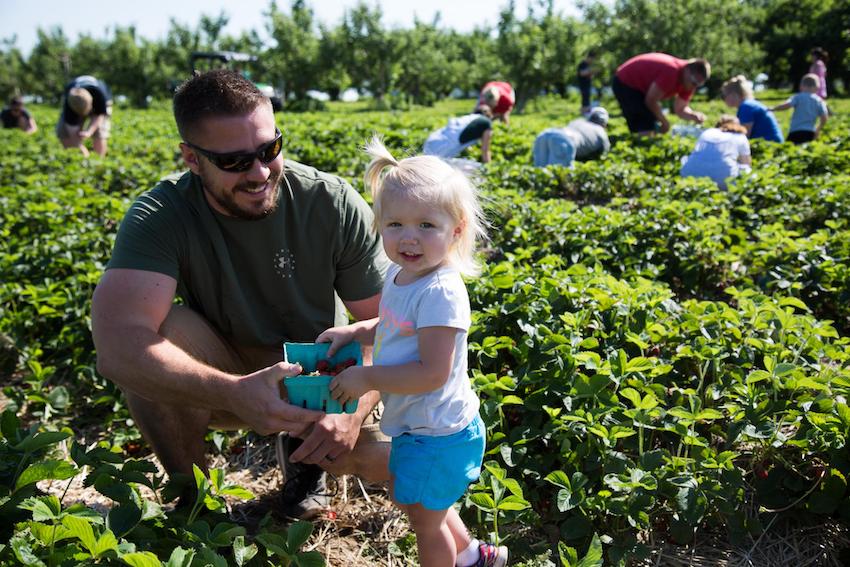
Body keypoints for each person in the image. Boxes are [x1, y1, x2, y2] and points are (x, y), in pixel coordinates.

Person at [90, 69, 391, 520]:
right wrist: (234, 392)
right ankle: (195, 503)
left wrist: (355, 405)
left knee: (399, 455)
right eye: (234, 162)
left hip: (322, 373)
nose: (259, 172)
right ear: (192, 158)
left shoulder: (328, 202)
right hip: (223, 366)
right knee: (157, 339)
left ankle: (308, 468)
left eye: (269, 150)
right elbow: (116, 347)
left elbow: (393, 328)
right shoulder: (163, 214)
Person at [317, 138, 507, 567]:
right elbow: (394, 325)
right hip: (418, 425)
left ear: (455, 230)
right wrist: (356, 332)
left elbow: (432, 372)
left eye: (426, 225)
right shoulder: (404, 276)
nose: (409, 238)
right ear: (379, 225)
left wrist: (366, 379)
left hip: (438, 432)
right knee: (422, 508)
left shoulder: (441, 292)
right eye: (395, 224)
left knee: (425, 524)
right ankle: (476, 557)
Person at [612, 52, 709, 136]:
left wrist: (693, 115)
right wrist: (664, 122)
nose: (694, 87)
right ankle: (642, 147)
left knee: (650, 120)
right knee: (644, 122)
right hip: (626, 82)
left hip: (643, 90)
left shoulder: (688, 82)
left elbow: (680, 109)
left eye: (698, 84)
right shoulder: (672, 71)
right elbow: (650, 100)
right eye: (694, 82)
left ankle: (645, 144)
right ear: (687, 70)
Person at [679, 115, 751, 189]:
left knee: (685, 158)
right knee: (747, 171)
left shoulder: (708, 132)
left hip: (690, 176)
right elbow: (746, 163)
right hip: (724, 181)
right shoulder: (740, 136)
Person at [532, 106, 610, 168]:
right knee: (558, 178)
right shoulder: (601, 132)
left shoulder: (579, 121)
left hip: (545, 134)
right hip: (564, 141)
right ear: (604, 124)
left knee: (540, 174)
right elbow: (602, 154)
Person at [56, 75, 113, 156]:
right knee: (63, 131)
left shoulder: (99, 94)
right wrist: (80, 147)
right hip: (73, 103)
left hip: (103, 102)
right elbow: (71, 129)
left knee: (100, 131)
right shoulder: (69, 102)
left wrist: (89, 131)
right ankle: (77, 158)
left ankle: (100, 160)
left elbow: (99, 116)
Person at [720, 75, 783, 143]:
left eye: (724, 96)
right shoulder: (749, 104)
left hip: (770, 144)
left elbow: (743, 136)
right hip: (771, 142)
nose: (723, 99)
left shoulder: (746, 107)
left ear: (734, 94)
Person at [770, 74, 829, 145]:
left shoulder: (797, 97)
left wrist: (774, 108)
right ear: (817, 88)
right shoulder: (819, 101)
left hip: (795, 131)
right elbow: (824, 117)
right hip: (810, 132)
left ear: (801, 86)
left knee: (790, 151)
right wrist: (818, 129)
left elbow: (787, 105)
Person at [423, 105, 493, 163]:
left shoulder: (469, 118)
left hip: (431, 142)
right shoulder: (486, 123)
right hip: (442, 149)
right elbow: (485, 150)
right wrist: (489, 170)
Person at [577, 51, 597, 115]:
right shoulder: (582, 64)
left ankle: (585, 113)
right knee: (585, 100)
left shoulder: (588, 65)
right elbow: (582, 73)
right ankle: (584, 113)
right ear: (589, 57)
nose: (592, 61)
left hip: (587, 85)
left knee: (587, 100)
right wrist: (591, 71)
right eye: (592, 59)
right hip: (583, 85)